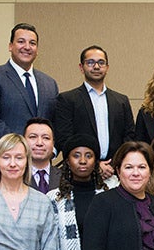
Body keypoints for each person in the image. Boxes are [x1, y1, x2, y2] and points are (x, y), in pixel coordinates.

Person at [0, 23, 59, 183]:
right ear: (10, 46)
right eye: (21, 42)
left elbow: (55, 122)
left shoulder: (49, 83)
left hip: (39, 169)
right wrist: (21, 148)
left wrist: (51, 149)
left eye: (32, 43)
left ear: (37, 49)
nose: (27, 47)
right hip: (0, 164)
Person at [54, 45, 136, 182]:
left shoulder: (121, 101)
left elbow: (129, 136)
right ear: (81, 67)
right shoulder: (68, 100)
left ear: (107, 68)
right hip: (80, 175)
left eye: (101, 62)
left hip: (114, 173)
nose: (96, 67)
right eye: (90, 62)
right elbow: (65, 139)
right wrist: (95, 164)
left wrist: (113, 165)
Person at [25, 117, 60, 193]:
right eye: (33, 137)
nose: (39, 143)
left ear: (53, 144)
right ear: (23, 142)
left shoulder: (65, 177)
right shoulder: (13, 176)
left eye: (46, 138)